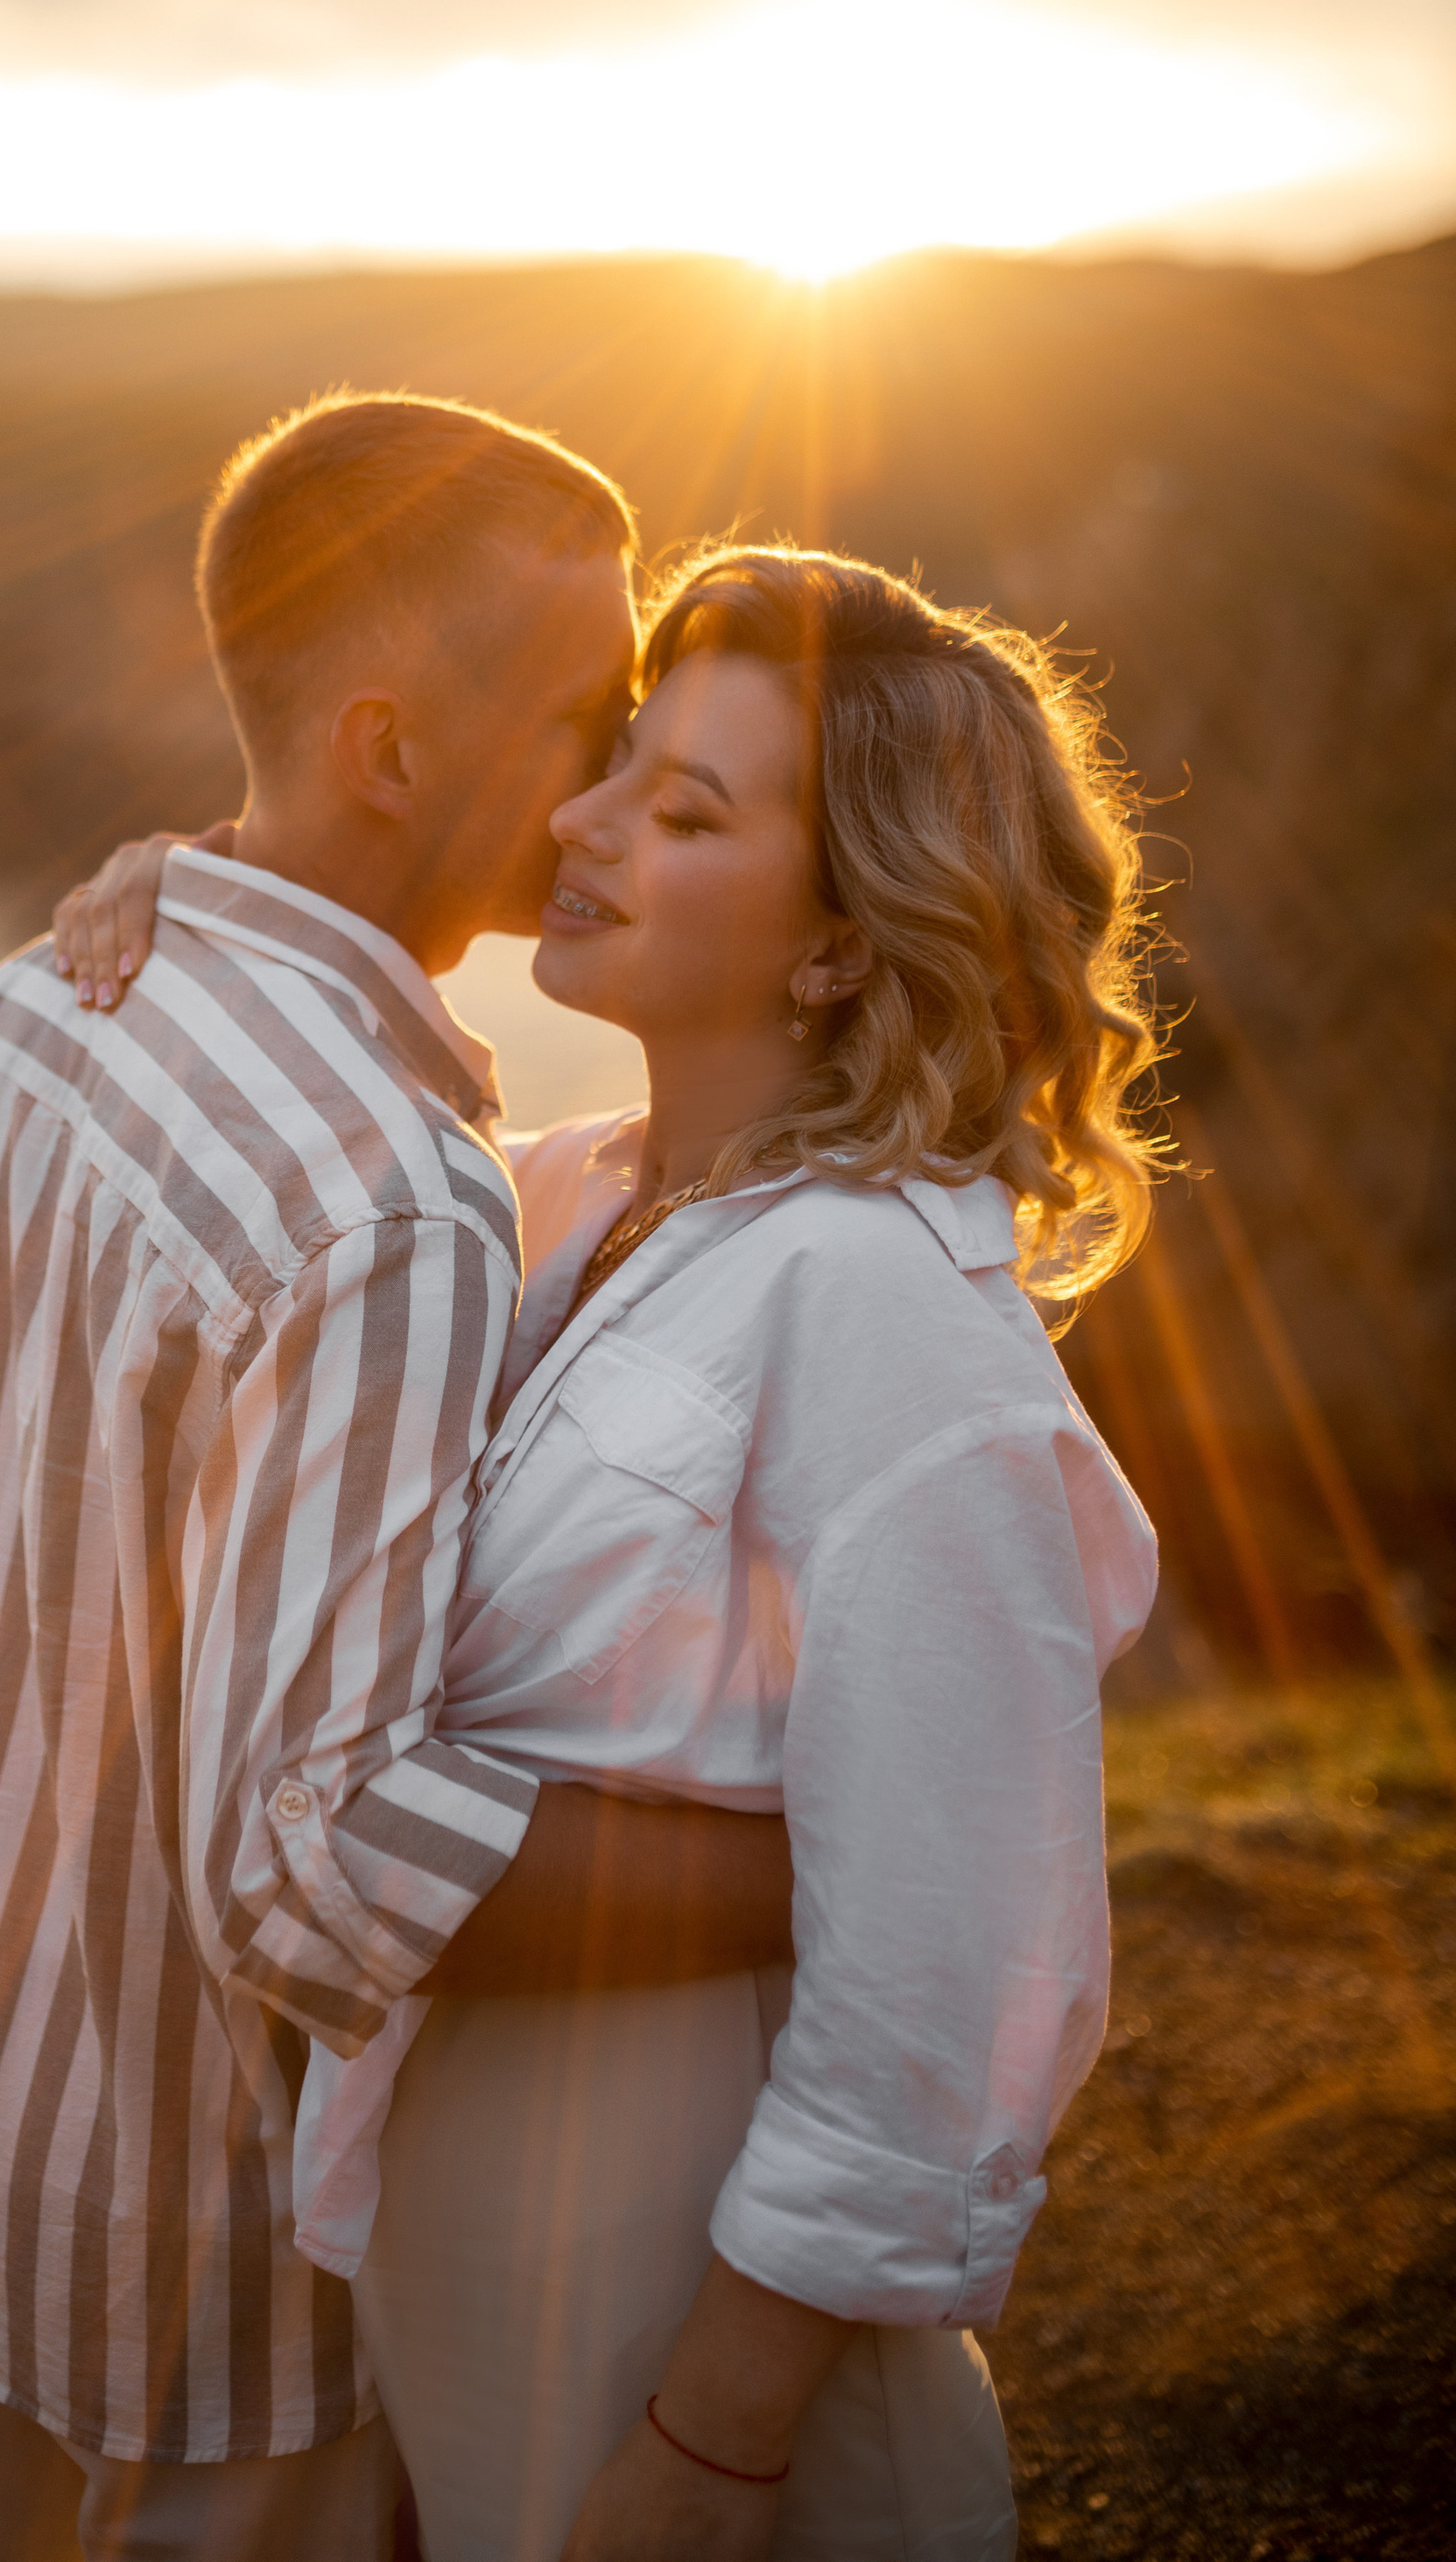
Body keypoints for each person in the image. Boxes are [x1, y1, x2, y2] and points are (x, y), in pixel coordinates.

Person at [60, 543, 1163, 2562]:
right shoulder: (568, 1200)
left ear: (837, 951)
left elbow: (958, 1954)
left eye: (687, 811)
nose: (579, 823)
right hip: (462, 2192)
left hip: (681, 2211)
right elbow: (288, 1256)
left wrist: (717, 2439)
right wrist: (200, 899)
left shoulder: (887, 1310)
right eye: (618, 763)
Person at [0, 396, 797, 2562]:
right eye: (588, 716)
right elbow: (316, 1867)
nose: (616, 780)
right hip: (181, 2263)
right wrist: (833, 1867)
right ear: (387, 751)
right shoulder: (384, 1202)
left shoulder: (12, 1016)